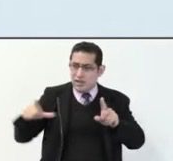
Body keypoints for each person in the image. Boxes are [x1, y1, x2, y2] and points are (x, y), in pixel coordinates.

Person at [14, 41, 145, 161]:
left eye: (87, 68)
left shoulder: (116, 100)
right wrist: (25, 119)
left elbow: (137, 142)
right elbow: (21, 137)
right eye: (75, 66)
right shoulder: (54, 96)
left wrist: (116, 123)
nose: (79, 74)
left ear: (100, 70)